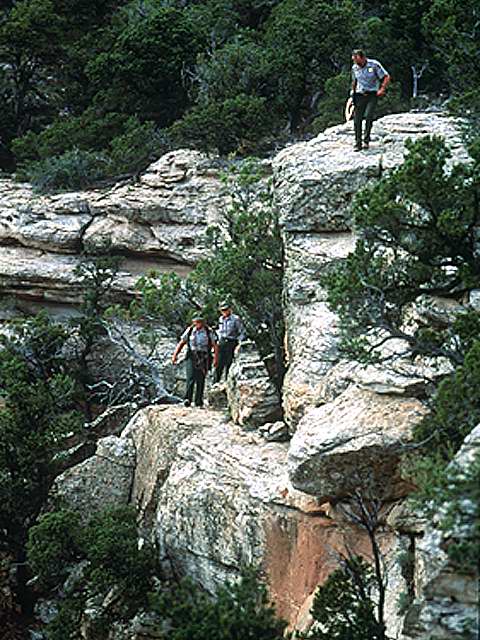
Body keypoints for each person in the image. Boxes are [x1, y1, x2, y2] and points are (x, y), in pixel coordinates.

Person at [171, 314, 218, 408]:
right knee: (190, 377)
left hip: (204, 356)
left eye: (200, 321)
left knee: (201, 378)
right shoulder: (190, 331)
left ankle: (198, 401)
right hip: (191, 355)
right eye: (196, 321)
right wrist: (175, 355)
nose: (198, 323)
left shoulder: (208, 332)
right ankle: (187, 399)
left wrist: (216, 358)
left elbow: (215, 345)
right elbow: (182, 343)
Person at [350, 49, 391, 151]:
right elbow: (354, 81)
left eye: (358, 60)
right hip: (359, 94)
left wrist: (382, 88)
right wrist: (352, 94)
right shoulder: (355, 68)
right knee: (357, 119)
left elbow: (386, 76)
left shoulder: (374, 65)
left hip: (372, 94)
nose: (356, 63)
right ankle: (358, 142)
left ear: (363, 58)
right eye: (354, 61)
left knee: (369, 116)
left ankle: (366, 140)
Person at [213, 301, 246, 383]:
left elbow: (241, 331)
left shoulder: (235, 319)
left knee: (229, 363)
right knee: (219, 363)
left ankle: (228, 382)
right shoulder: (221, 319)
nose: (224, 312)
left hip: (231, 342)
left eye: (226, 309)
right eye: (222, 310)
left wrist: (239, 342)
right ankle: (216, 382)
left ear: (229, 309)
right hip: (222, 342)